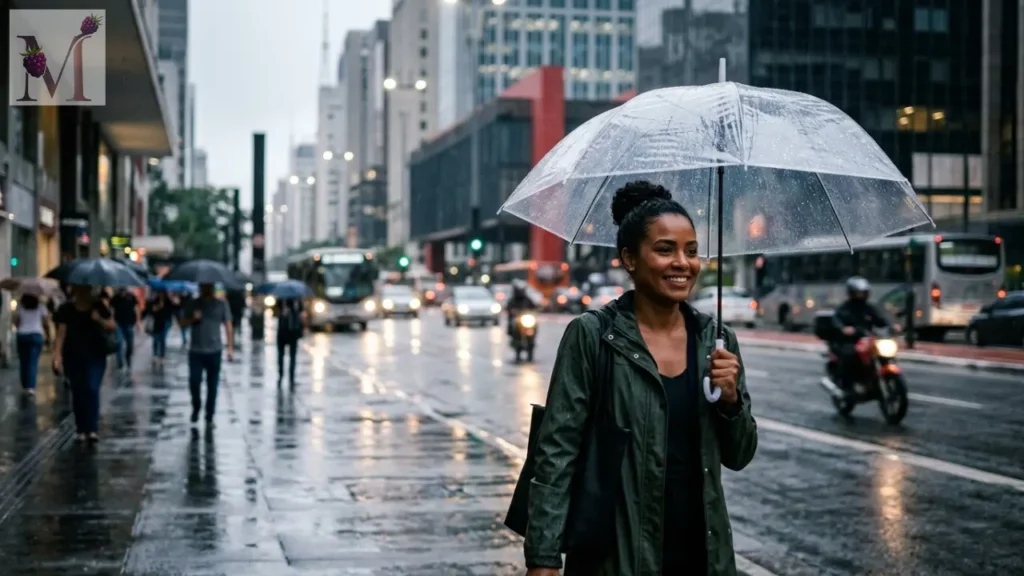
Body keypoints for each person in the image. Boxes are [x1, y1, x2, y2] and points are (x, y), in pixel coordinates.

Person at [524, 181, 757, 576]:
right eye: (665, 250)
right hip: (616, 558)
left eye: (692, 251)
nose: (682, 263)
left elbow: (739, 456)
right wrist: (543, 557)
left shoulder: (715, 342)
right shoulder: (593, 336)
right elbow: (557, 453)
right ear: (629, 258)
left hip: (703, 557)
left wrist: (731, 402)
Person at [53, 285, 116, 442]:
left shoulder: (99, 306)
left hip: (95, 355)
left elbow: (112, 326)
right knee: (78, 391)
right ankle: (81, 428)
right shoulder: (66, 309)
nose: (86, 292)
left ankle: (92, 429)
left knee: (91, 388)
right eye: (82, 289)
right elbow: (61, 334)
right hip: (72, 356)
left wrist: (99, 319)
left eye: (88, 289)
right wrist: (57, 356)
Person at [829, 276, 897, 391]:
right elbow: (836, 320)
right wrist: (844, 329)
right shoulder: (844, 308)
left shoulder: (868, 307)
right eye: (858, 293)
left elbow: (880, 319)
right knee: (850, 355)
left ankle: (872, 378)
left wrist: (891, 326)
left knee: (880, 352)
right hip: (849, 340)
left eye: (863, 293)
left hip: (867, 339)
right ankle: (847, 386)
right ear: (851, 293)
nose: (860, 295)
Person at [181, 283, 234, 426]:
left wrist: (230, 347)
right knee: (194, 382)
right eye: (203, 286)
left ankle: (209, 415)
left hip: (214, 350)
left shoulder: (221, 304)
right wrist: (193, 318)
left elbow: (228, 324)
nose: (205, 289)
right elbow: (183, 324)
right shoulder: (193, 304)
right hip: (196, 351)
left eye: (208, 286)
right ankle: (196, 406)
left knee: (213, 385)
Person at [13, 294, 51, 395]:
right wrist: (48, 336)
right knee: (32, 361)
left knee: (23, 361)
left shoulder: (20, 306)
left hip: (22, 335)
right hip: (36, 335)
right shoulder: (41, 307)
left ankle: (24, 384)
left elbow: (16, 322)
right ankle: (31, 386)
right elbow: (45, 322)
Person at [275, 297, 306, 386]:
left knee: (292, 356)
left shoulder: (297, 301)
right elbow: (275, 312)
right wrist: (281, 313)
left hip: (293, 332)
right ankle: (281, 376)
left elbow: (302, 313)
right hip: (283, 332)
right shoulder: (281, 300)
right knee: (281, 356)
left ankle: (291, 378)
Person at [111, 288, 141, 371]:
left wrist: (138, 322)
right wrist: (112, 321)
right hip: (119, 324)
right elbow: (112, 310)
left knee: (130, 344)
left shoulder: (131, 297)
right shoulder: (115, 298)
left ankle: (128, 359)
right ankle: (120, 364)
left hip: (129, 323)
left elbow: (136, 309)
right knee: (119, 343)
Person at [144, 291, 175, 365]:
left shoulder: (168, 301)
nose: (161, 294)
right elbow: (151, 311)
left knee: (163, 339)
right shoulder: (155, 301)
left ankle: (162, 356)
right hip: (156, 322)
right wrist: (159, 306)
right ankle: (155, 354)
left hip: (166, 322)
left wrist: (173, 301)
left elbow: (173, 310)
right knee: (156, 339)